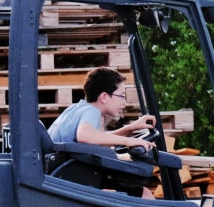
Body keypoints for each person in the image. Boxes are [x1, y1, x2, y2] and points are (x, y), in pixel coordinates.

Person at [48, 67, 157, 198]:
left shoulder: (76, 109)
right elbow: (85, 136)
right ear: (104, 97)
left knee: (140, 191)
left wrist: (130, 128)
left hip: (64, 174)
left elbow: (96, 138)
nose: (124, 102)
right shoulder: (92, 111)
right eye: (121, 96)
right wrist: (129, 141)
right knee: (143, 193)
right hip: (71, 177)